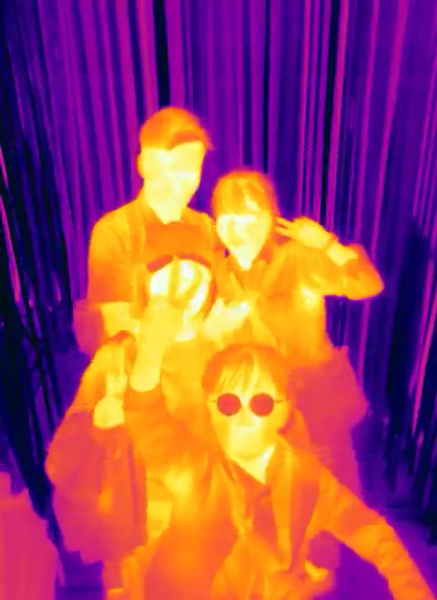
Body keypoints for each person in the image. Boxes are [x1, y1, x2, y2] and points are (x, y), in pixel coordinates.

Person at [97, 342, 433, 600]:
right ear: (210, 408)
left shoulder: (307, 477)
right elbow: (148, 421)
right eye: (229, 403)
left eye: (261, 403)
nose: (243, 418)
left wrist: (413, 592)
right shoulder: (192, 467)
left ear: (285, 411)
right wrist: (153, 341)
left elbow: (373, 534)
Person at [73, 106, 217, 359]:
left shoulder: (205, 227)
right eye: (173, 168)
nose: (182, 181)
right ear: (144, 166)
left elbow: (213, 305)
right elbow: (116, 326)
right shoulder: (115, 231)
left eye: (192, 169)